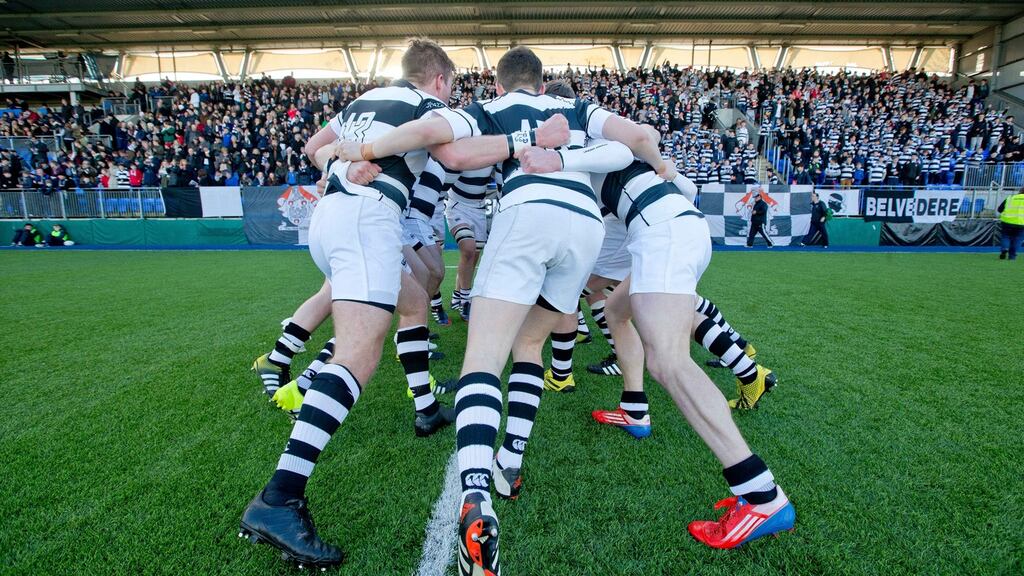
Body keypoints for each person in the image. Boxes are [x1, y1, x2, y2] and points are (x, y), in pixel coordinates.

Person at [239, 38, 467, 571]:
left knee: (414, 302)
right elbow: (455, 154)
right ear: (438, 80)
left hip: (335, 219)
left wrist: (339, 159)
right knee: (358, 357)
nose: (451, 92)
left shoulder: (364, 100)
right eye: (451, 84)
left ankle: (425, 409)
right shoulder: (432, 108)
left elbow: (314, 147)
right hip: (367, 220)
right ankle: (279, 498)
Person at [997, 187, 1024, 260]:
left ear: (1020, 191)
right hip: (1022, 223)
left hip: (1007, 221)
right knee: (1018, 239)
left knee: (1005, 236)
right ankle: (1012, 256)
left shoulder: (1010, 198)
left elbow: (999, 209)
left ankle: (1004, 248)